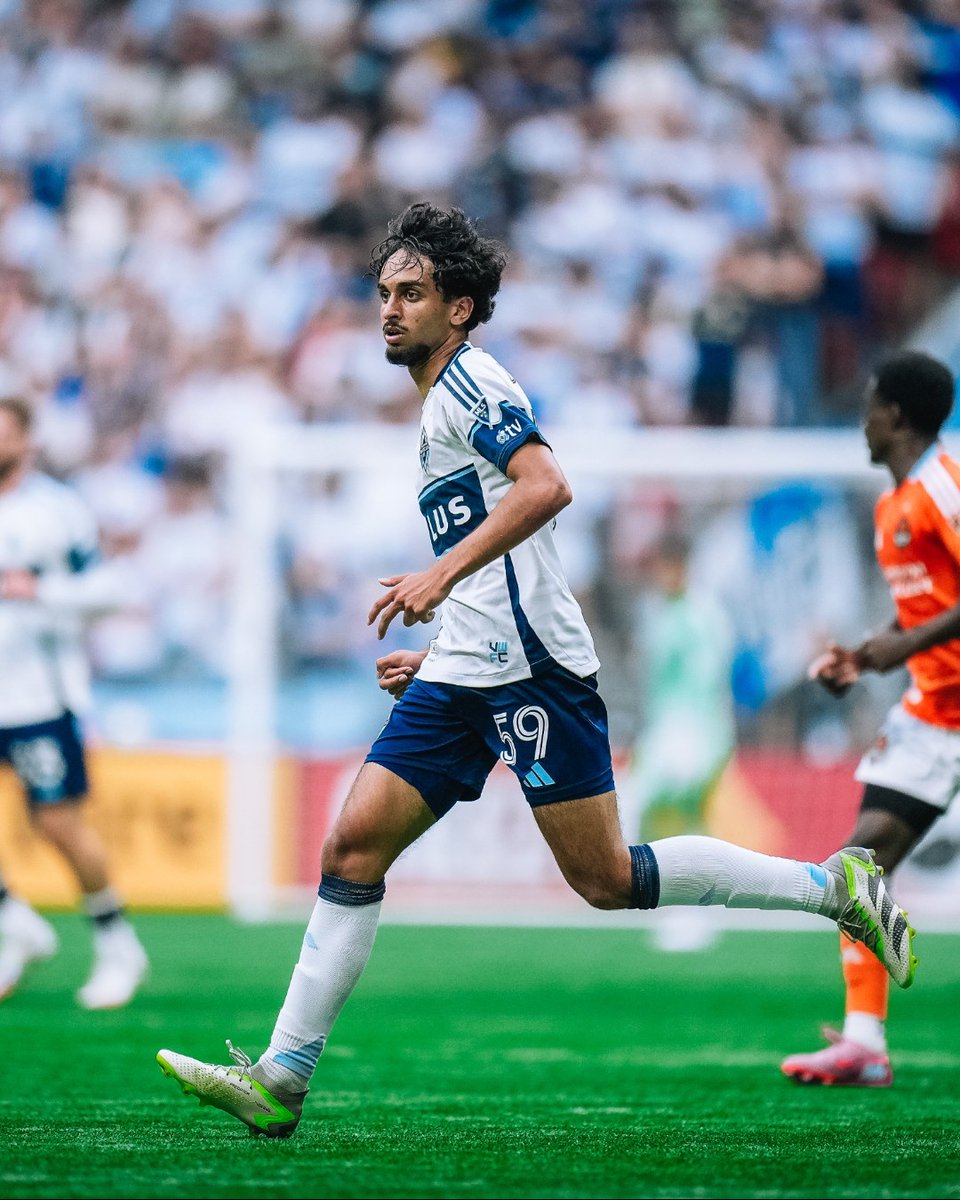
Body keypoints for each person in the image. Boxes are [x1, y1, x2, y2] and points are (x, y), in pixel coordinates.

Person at [156, 203, 915, 1139]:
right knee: (352, 849)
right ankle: (282, 1077)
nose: (389, 310)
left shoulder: (473, 380)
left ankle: (829, 888)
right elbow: (500, 553)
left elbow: (548, 485)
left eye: (413, 294)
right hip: (464, 670)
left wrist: (438, 575)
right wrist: (441, 647)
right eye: (384, 294)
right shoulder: (438, 399)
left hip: (532, 675)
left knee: (603, 879)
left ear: (462, 308)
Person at [782, 349, 960, 1088]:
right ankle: (863, 1042)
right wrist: (863, 656)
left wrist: (900, 646)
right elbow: (929, 608)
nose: (862, 416)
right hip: (933, 713)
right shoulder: (893, 506)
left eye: (869, 403)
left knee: (858, 868)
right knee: (855, 870)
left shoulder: (943, 487)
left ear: (894, 415)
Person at [0, 395, 148, 1009]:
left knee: (58, 824)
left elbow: (113, 588)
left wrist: (41, 590)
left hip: (39, 694)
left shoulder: (56, 511)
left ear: (26, 440)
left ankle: (117, 943)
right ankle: (14, 921)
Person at [625, 531, 736, 952]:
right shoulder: (655, 612)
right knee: (661, 816)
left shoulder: (705, 615)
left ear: (682, 566)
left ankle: (692, 908)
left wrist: (706, 746)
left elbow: (710, 686)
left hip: (698, 734)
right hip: (662, 732)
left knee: (673, 812)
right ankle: (676, 904)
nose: (661, 576)